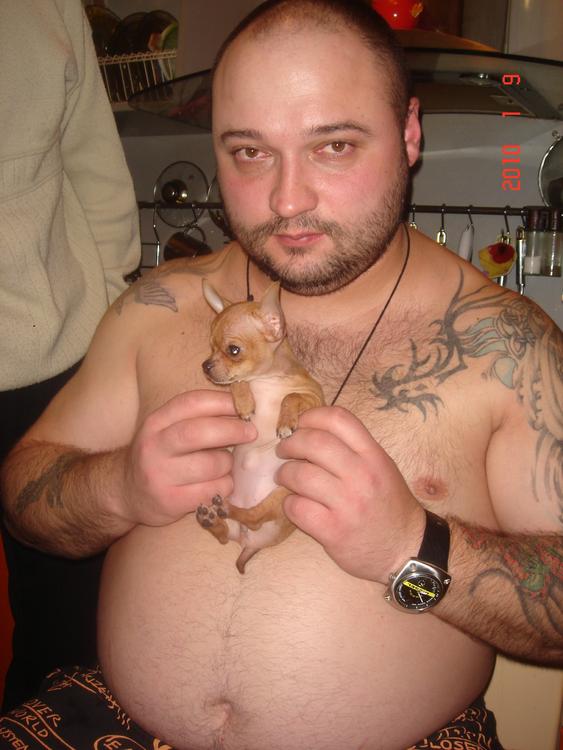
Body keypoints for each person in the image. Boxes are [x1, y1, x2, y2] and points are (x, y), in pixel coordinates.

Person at [0, 0, 561, 747]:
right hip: (110, 726)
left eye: (334, 145)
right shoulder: (154, 307)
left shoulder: (505, 344)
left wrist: (414, 546)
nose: (287, 199)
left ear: (408, 134)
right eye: (249, 152)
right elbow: (23, 491)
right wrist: (118, 486)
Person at [0, 0, 141, 710]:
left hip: (59, 360)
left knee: (68, 630)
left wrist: (114, 321)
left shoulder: (47, 7)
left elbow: (96, 169)